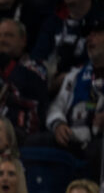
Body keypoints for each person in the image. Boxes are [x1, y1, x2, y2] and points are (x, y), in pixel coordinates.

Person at [43, 18, 104, 160]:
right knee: (36, 142)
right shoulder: (76, 75)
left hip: (98, 142)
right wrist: (58, 124)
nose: (90, 38)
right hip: (72, 137)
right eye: (89, 35)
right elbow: (57, 106)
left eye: (97, 34)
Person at [32, 0, 101, 93]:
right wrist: (46, 79)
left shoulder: (100, 23)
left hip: (86, 85)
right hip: (48, 86)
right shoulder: (53, 21)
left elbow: (98, 60)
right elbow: (38, 57)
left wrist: (70, 76)